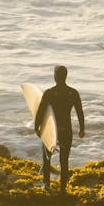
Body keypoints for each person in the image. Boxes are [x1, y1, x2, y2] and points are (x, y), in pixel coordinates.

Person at [34, 65, 85, 193]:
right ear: (66, 76)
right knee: (64, 160)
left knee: (46, 159)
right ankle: (63, 189)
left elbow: (40, 112)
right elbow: (80, 112)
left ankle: (47, 186)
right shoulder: (73, 93)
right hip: (66, 129)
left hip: (51, 129)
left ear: (55, 76)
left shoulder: (49, 93)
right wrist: (82, 129)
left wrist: (37, 127)